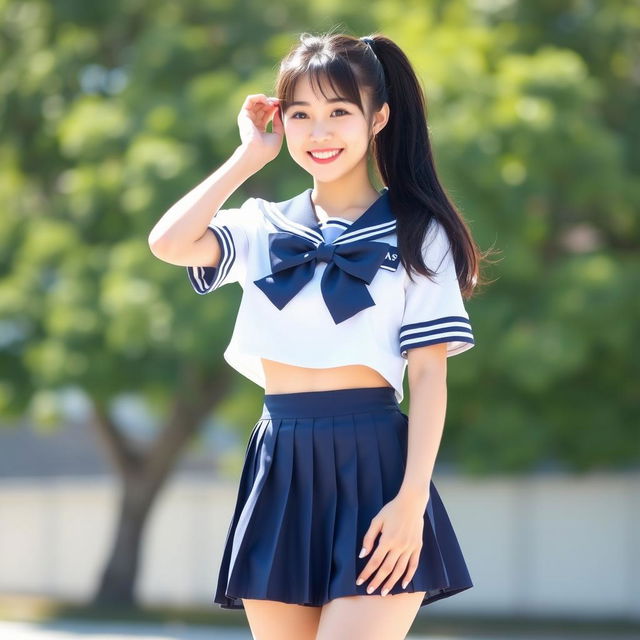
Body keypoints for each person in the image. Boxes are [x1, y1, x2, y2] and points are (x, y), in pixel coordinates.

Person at [149, 29, 489, 640]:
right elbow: (168, 243)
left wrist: (412, 502)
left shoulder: (417, 233)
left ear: (378, 118)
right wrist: (248, 158)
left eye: (339, 112)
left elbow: (430, 373)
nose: (319, 132)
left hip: (376, 467)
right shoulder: (262, 225)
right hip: (282, 461)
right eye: (301, 114)